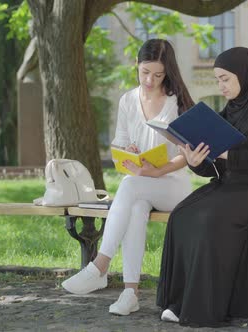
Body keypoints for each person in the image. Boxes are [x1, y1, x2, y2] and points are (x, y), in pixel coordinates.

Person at [156, 47, 248, 327]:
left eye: (226, 79)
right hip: (226, 186)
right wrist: (195, 161)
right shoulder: (227, 112)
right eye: (218, 79)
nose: (221, 85)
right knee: (182, 215)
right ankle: (178, 301)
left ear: (245, 75)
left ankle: (198, 307)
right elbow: (212, 167)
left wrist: (227, 154)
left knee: (209, 218)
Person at [61, 39, 193, 316]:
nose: (149, 80)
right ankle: (130, 292)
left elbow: (187, 155)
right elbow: (120, 143)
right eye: (145, 72)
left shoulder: (177, 101)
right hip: (141, 183)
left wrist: (158, 170)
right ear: (136, 65)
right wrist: (129, 152)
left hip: (173, 185)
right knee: (135, 205)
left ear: (167, 72)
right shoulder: (128, 101)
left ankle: (100, 265)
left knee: (130, 186)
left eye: (157, 74)